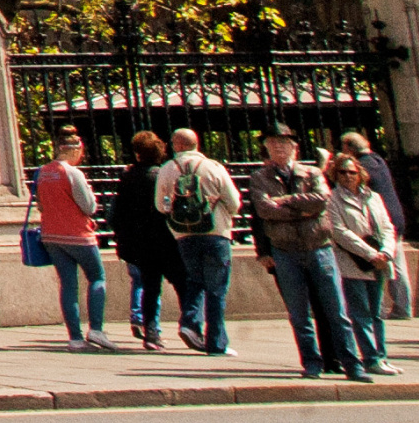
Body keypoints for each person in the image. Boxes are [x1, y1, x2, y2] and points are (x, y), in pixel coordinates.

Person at [246, 124, 361, 380]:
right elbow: (264, 210)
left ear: (295, 147)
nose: (279, 146)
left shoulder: (310, 173)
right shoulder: (260, 177)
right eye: (273, 142)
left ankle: (352, 364)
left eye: (284, 142)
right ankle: (312, 363)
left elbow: (322, 200)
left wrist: (284, 201)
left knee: (337, 311)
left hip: (319, 248)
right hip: (285, 251)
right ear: (266, 147)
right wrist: (301, 208)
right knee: (299, 314)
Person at [157, 127, 241, 354]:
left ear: (176, 145)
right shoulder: (212, 167)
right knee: (216, 289)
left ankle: (189, 322)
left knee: (195, 280)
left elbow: (160, 204)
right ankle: (216, 343)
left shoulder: (166, 170)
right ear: (197, 144)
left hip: (184, 235)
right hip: (215, 233)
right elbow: (234, 202)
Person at [34, 127, 116, 350]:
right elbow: (89, 206)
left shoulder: (42, 172)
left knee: (68, 284)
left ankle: (75, 338)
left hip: (51, 235)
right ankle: (97, 330)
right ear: (74, 149)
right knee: (97, 277)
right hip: (78, 235)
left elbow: (41, 204)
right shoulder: (73, 173)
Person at [325, 150, 403, 375]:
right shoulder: (333, 200)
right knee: (360, 313)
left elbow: (388, 227)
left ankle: (381, 357)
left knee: (377, 312)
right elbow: (340, 232)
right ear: (336, 175)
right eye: (343, 172)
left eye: (352, 172)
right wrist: (370, 254)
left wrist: (387, 252)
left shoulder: (374, 197)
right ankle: (370, 358)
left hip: (379, 262)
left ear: (360, 174)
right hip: (353, 263)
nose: (348, 176)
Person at [112, 131, 182, 351]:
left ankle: (151, 333)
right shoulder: (162, 175)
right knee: (184, 284)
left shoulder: (127, 178)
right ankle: (191, 324)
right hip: (165, 240)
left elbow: (115, 215)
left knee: (150, 287)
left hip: (140, 243)